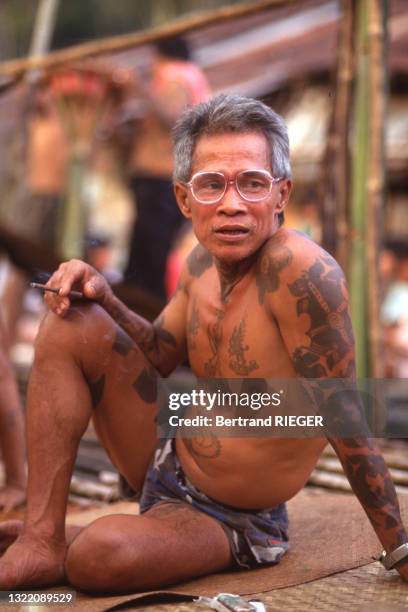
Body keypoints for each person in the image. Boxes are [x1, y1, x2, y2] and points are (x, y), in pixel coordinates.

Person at [0, 94, 407, 592]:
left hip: (232, 518)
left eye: (252, 184)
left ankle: (85, 542)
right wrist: (105, 296)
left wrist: (400, 548)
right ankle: (43, 539)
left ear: (281, 195)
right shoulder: (199, 263)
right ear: (184, 198)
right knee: (72, 321)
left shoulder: (299, 271)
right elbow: (161, 353)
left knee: (97, 557)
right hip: (165, 457)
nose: (232, 204)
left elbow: (345, 415)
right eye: (212, 185)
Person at [124, 37, 210, 300]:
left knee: (151, 258)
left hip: (160, 180)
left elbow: (173, 117)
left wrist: (139, 88)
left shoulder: (176, 78)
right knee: (147, 256)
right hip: (158, 180)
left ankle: (152, 315)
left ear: (161, 55)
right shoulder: (185, 79)